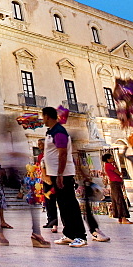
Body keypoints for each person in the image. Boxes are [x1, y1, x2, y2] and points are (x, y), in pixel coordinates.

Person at [41, 106, 87, 247]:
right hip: (56, 174)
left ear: (47, 116)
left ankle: (80, 236)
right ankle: (69, 234)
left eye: (43, 116)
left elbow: (63, 154)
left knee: (70, 204)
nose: (42, 119)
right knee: (62, 204)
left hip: (63, 174)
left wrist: (60, 174)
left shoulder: (59, 132)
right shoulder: (51, 132)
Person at [75, 156, 109, 242]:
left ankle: (93, 231)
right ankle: (91, 231)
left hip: (78, 183)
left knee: (85, 209)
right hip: (72, 182)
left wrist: (84, 176)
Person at [102, 153, 132, 224]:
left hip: (114, 183)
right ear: (108, 159)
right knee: (119, 199)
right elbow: (119, 173)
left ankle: (120, 218)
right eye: (111, 158)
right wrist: (116, 167)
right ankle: (123, 218)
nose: (112, 159)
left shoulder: (107, 165)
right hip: (115, 183)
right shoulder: (109, 165)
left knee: (117, 199)